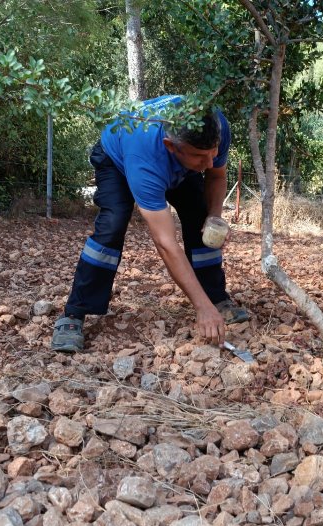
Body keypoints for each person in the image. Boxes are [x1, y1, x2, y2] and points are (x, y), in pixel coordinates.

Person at [51, 94, 249, 353]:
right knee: (113, 224)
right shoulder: (145, 160)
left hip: (174, 162)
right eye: (201, 157)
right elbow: (166, 242)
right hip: (118, 159)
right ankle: (75, 313)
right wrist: (201, 309)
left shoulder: (215, 125)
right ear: (171, 146)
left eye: (213, 153)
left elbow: (216, 175)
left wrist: (214, 215)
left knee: (201, 218)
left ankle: (216, 296)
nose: (209, 163)